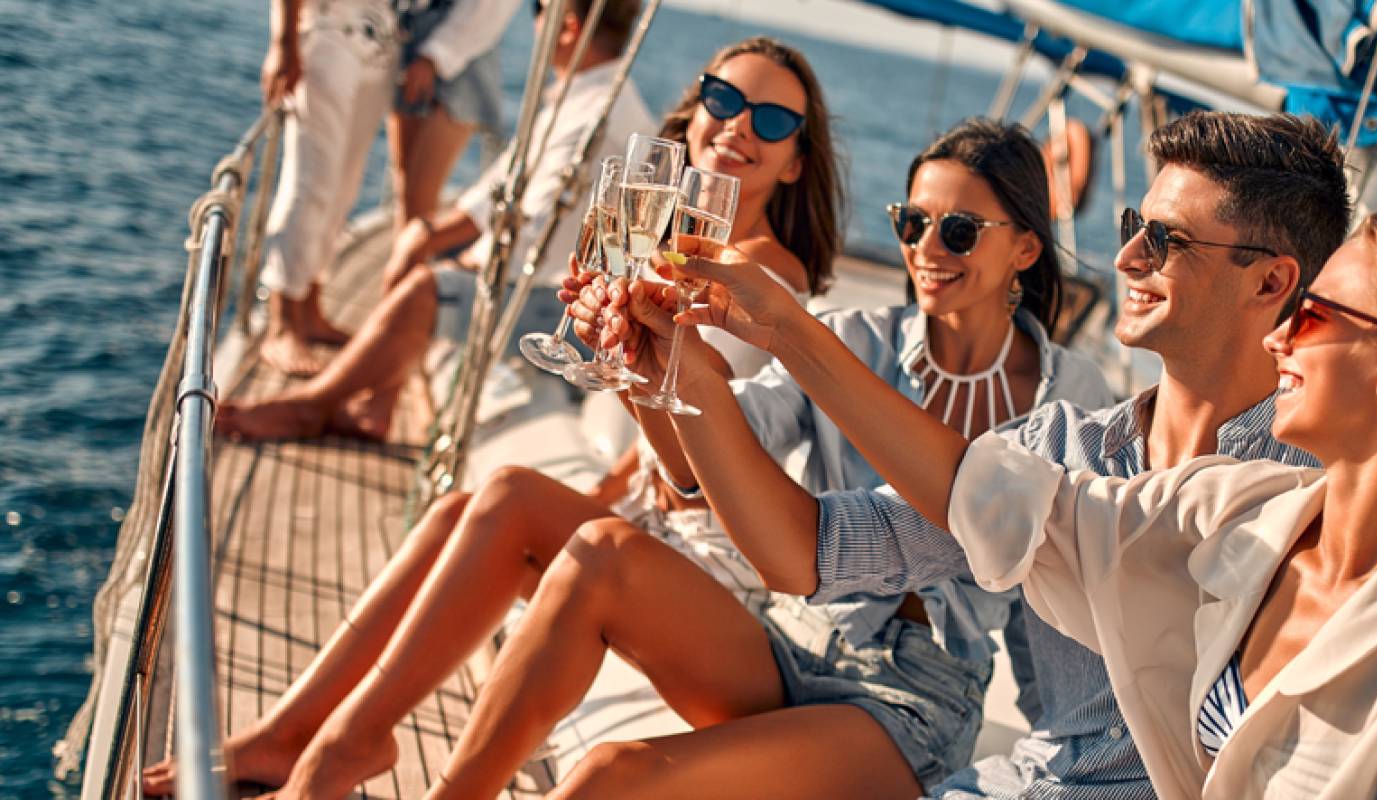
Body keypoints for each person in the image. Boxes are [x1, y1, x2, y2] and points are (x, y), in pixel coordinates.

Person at [656, 110, 1377, 797]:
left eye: (1167, 239)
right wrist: (690, 374)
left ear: (1273, 282)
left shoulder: (1339, 490)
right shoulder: (1189, 492)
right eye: (1129, 231)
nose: (1129, 260)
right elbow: (829, 546)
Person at [142, 35, 848, 798]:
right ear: (696, 111)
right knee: (459, 512)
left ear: (798, 161)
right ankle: (289, 737)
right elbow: (658, 452)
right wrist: (617, 401)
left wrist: (626, 369)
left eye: (773, 121)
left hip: (723, 571)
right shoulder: (677, 247)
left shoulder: (767, 278)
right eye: (724, 100)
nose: (739, 127)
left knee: (511, 495)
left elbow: (709, 463)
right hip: (664, 527)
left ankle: (338, 755)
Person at [422, 118, 1111, 798]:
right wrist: (648, 359)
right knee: (600, 548)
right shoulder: (852, 338)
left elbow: (1057, 605)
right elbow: (701, 469)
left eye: (958, 229)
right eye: (911, 223)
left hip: (913, 700)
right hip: (789, 638)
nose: (927, 247)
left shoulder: (1074, 398)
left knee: (613, 774)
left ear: (1025, 247)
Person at [213, 0, 654, 441]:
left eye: (538, 9)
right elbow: (505, 183)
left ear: (569, 27)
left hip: (556, 298)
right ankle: (377, 405)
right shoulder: (589, 96)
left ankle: (310, 407)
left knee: (423, 288)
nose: (533, 20)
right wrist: (426, 234)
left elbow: (534, 234)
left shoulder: (594, 118)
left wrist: (452, 256)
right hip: (548, 275)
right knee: (414, 243)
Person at [255, 0, 400, 376]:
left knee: (343, 186)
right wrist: (283, 43)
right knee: (311, 181)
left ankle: (311, 308)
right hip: (329, 34)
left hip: (380, 41)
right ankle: (282, 326)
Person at [388, 0, 519, 237]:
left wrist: (433, 57)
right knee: (405, 187)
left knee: (419, 198)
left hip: (460, 61)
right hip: (411, 42)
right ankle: (404, 263)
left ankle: (408, 265)